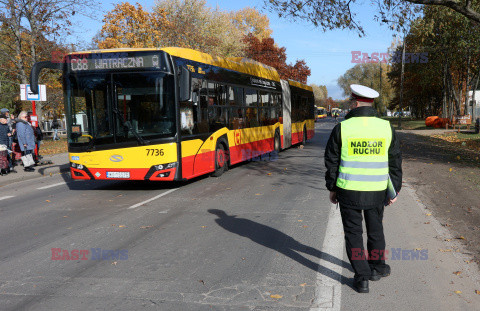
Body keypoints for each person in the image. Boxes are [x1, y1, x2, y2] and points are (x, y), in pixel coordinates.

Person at [324, 84, 402, 293]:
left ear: (355, 103)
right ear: (371, 104)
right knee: (376, 229)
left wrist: (332, 187)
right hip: (377, 190)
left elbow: (331, 160)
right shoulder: (386, 127)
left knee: (353, 233)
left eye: (350, 101)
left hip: (348, 190)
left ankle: (362, 278)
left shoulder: (343, 127)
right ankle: (378, 267)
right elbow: (394, 161)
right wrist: (394, 189)